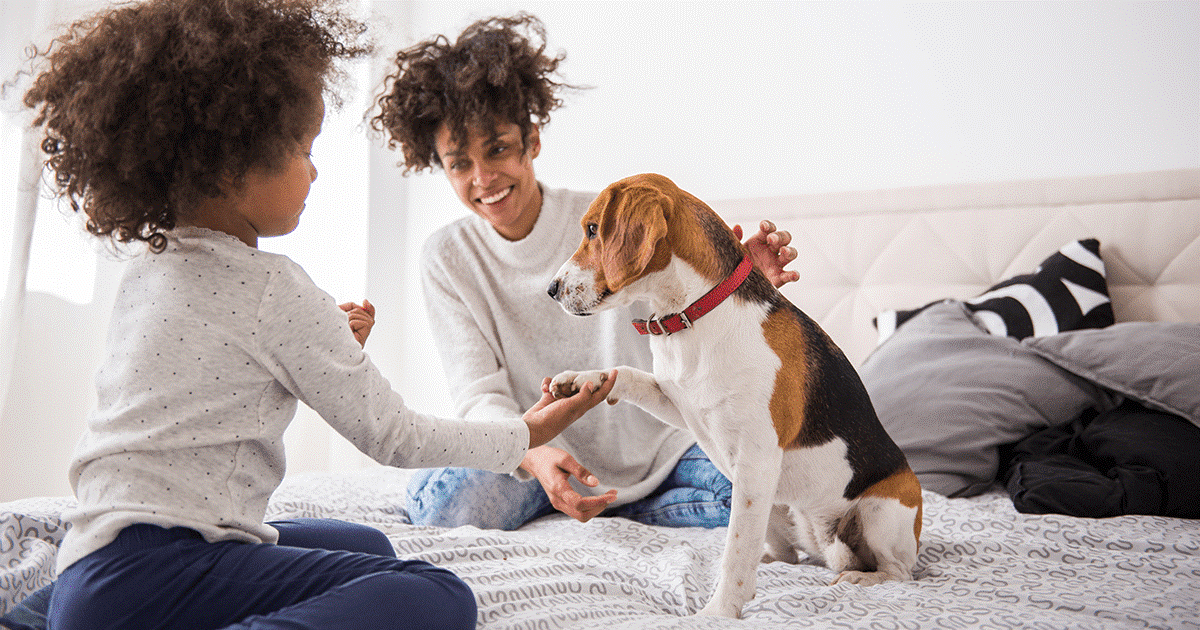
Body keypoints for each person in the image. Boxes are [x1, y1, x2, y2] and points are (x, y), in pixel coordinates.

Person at [8, 2, 615, 629]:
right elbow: (395, 435)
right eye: (302, 148)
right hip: (165, 569)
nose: (315, 170)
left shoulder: (149, 268)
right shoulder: (274, 286)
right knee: (438, 596)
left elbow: (219, 372)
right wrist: (528, 434)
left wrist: (326, 343)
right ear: (234, 161)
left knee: (367, 546)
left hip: (92, 567)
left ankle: (36, 617)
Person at [370, 13, 799, 531]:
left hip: (660, 448)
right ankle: (621, 507)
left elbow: (681, 316)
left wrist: (733, 287)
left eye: (498, 149)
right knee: (448, 506)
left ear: (532, 142)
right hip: (534, 446)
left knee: (770, 498)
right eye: (459, 163)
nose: (483, 178)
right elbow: (479, 394)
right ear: (440, 166)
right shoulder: (446, 257)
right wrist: (531, 453)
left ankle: (623, 505)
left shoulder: (608, 219)